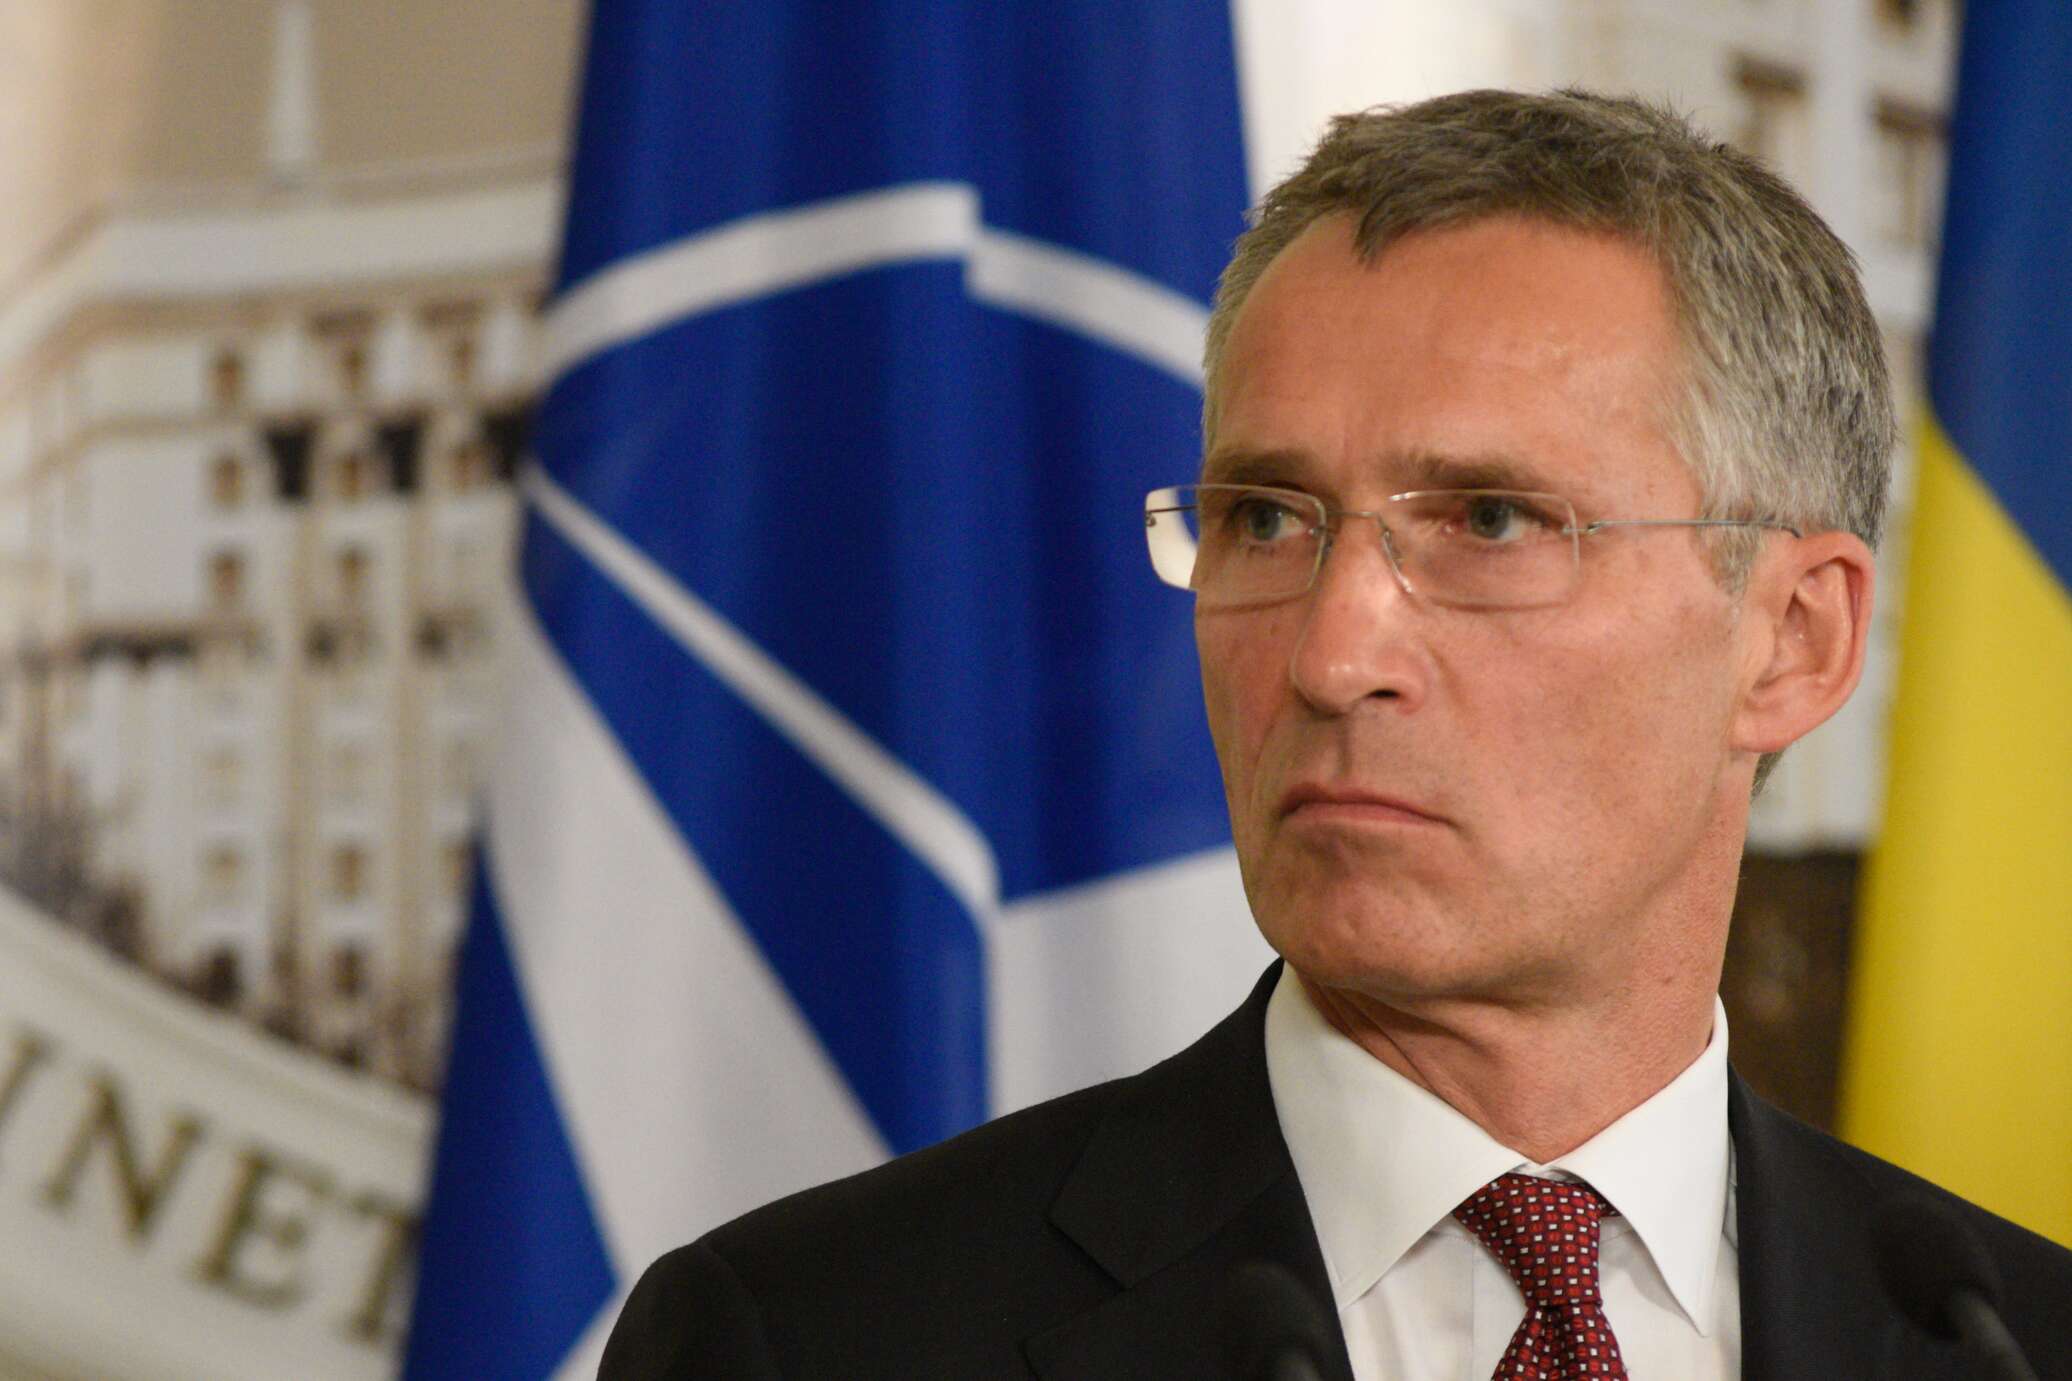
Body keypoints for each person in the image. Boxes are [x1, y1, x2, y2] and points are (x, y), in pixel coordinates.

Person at [599, 89, 2072, 1380]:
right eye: (1263, 520)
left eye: (1490, 520)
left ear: (1795, 639)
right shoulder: (812, 1339)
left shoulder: (2008, 1336)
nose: (1330, 654)